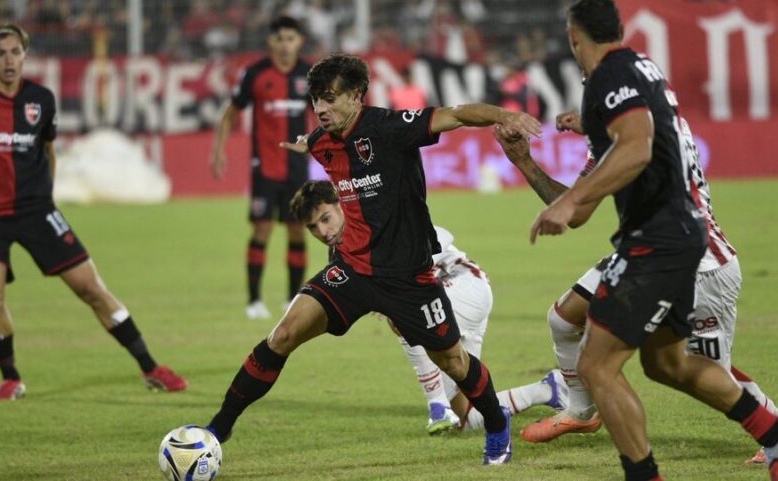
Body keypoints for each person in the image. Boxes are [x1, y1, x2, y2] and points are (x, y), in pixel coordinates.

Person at [202, 53, 543, 465]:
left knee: (453, 361)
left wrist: (504, 115)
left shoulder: (389, 128)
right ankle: (217, 429)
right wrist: (305, 142)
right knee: (283, 335)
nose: (320, 108)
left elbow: (455, 115)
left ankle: (496, 423)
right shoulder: (322, 142)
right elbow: (314, 140)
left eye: (330, 98)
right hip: (352, 270)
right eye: (315, 100)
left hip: (408, 278)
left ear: (356, 95)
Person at [526, 0, 778, 481]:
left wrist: (570, 200)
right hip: (681, 234)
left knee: (597, 366)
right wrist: (572, 160)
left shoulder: (609, 76)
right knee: (666, 363)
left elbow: (636, 147)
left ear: (574, 38)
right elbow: (626, 153)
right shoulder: (641, 67)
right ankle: (776, 433)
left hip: (657, 240)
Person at [493, 110, 778, 464]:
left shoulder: (645, 123)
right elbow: (576, 206)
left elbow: (638, 145)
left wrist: (591, 127)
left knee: (705, 371)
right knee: (564, 318)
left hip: (698, 263)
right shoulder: (620, 128)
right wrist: (526, 161)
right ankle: (581, 409)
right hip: (645, 256)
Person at [0, 23, 186, 401]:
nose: (9, 61)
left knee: (91, 288)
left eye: (15, 52)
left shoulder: (41, 100)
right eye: (0, 53)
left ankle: (151, 367)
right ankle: (10, 378)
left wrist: (47, 195)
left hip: (36, 211)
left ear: (25, 55)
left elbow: (49, 150)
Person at [291, 180, 568, 435]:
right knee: (467, 415)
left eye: (325, 219)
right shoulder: (340, 254)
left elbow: (442, 235)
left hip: (463, 282)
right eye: (313, 227)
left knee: (402, 311)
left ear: (342, 204)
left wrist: (404, 273)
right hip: (454, 299)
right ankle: (548, 390)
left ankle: (437, 406)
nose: (322, 232)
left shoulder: (373, 222)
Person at [211, 16, 313, 320]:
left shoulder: (309, 75)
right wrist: (218, 151)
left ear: (300, 42)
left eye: (290, 39)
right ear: (271, 41)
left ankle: (293, 300)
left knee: (297, 231)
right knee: (262, 229)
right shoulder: (255, 74)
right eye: (279, 39)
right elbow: (231, 112)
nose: (285, 45)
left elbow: (325, 113)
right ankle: (254, 300)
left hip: (297, 169)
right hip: (264, 168)